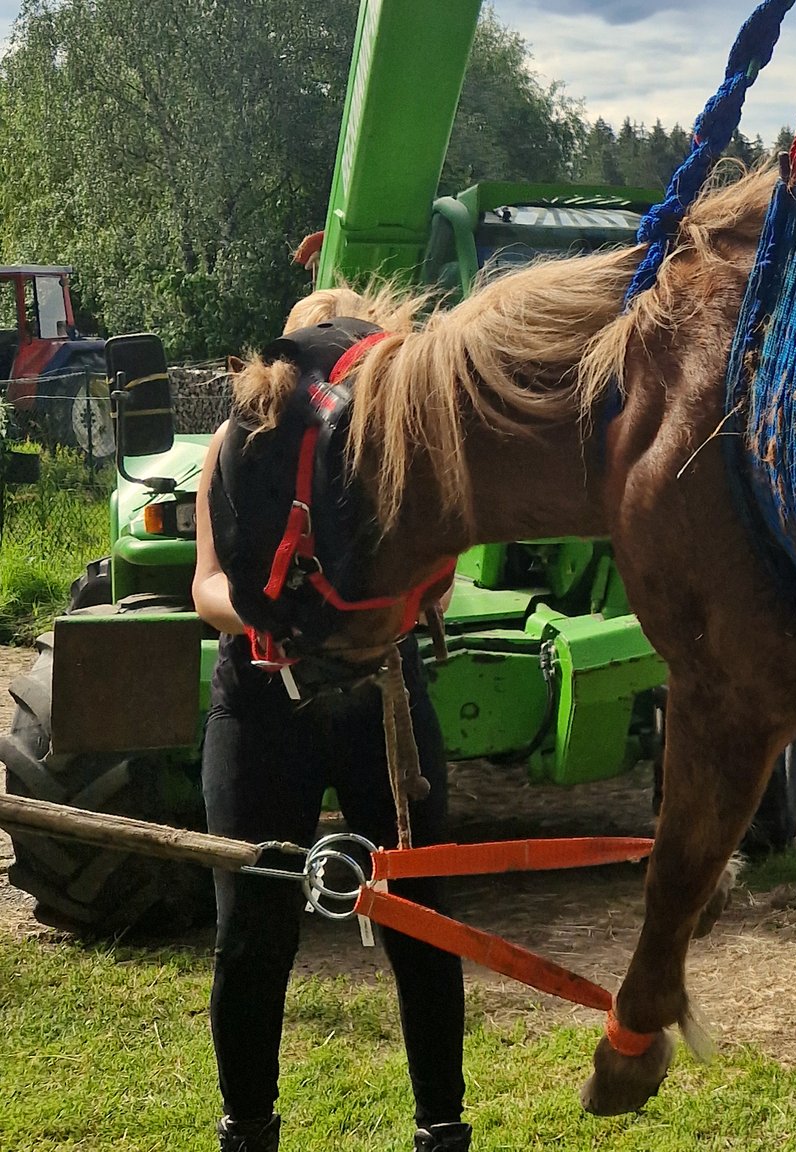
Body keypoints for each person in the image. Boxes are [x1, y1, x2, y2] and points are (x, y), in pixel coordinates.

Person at [194, 296, 471, 1152]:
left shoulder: (393, 446)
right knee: (252, 929)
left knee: (421, 917)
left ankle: (441, 1128)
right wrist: (274, 619)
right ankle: (247, 1130)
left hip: (380, 698)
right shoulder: (236, 446)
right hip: (262, 698)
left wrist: (360, 620)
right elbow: (208, 587)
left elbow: (438, 584)